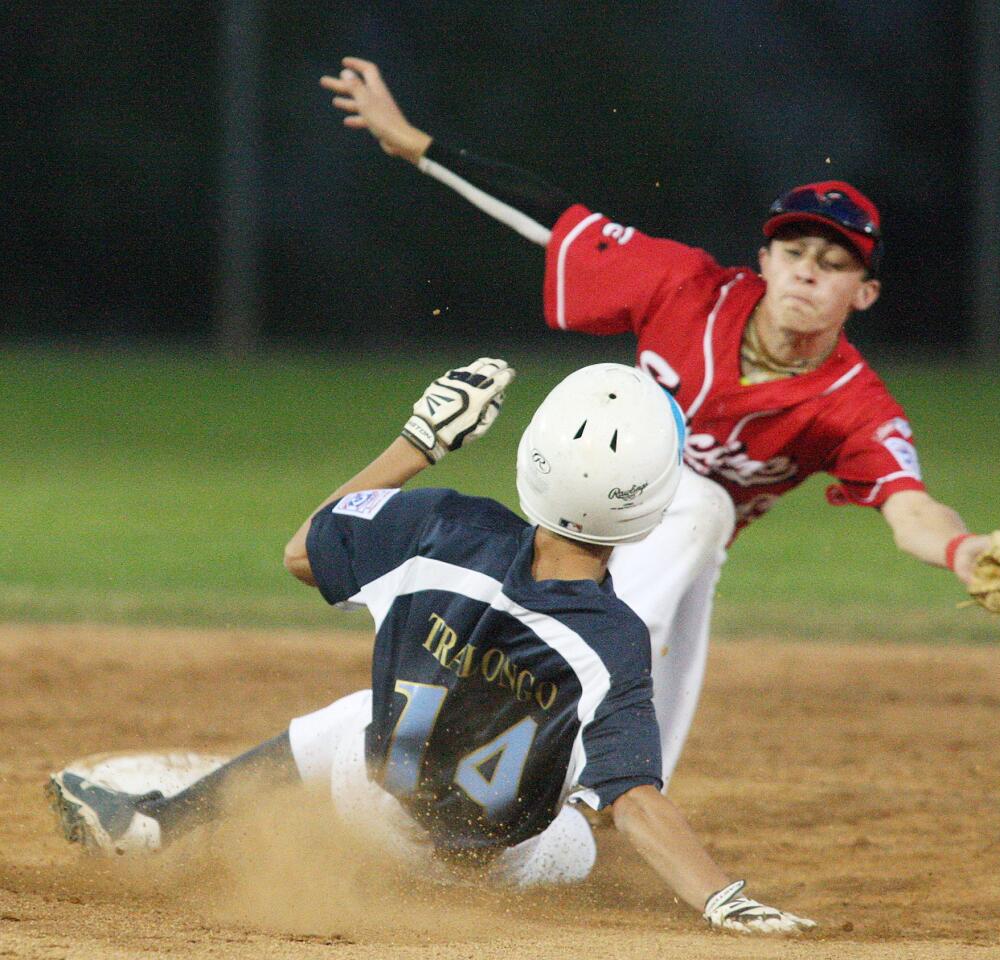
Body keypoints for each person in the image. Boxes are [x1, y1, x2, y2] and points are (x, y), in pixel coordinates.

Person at [318, 57, 995, 788]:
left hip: (669, 549)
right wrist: (413, 143)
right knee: (698, 508)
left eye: (831, 263)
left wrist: (964, 552)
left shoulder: (853, 404)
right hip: (570, 502)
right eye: (793, 251)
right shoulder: (685, 287)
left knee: (692, 555)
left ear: (862, 293)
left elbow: (911, 510)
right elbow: (554, 222)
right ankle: (527, 702)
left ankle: (617, 797)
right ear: (762, 259)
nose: (806, 271)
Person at [46, 358, 816, 935]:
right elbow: (637, 800)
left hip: (368, 806)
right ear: (647, 505)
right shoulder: (611, 637)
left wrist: (419, 442)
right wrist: (724, 897)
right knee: (585, 801)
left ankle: (155, 829)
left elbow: (303, 550)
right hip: (500, 870)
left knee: (358, 715)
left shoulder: (440, 525)